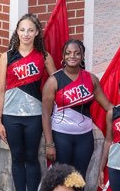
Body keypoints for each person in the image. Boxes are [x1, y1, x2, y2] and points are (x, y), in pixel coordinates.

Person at [0, 14, 56, 191]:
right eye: (22, 30)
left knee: (31, 157)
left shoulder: (43, 56)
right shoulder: (7, 56)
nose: (26, 34)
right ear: (17, 31)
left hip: (34, 115)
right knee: (17, 157)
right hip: (11, 115)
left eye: (30, 30)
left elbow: (57, 82)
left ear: (37, 32)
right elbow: (1, 89)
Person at [42, 38, 113, 179]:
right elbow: (45, 114)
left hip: (85, 138)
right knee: (61, 179)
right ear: (63, 56)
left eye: (77, 53)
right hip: (61, 136)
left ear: (82, 56)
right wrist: (49, 144)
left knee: (79, 179)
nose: (72, 56)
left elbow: (108, 106)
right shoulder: (54, 80)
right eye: (68, 53)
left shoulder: (91, 79)